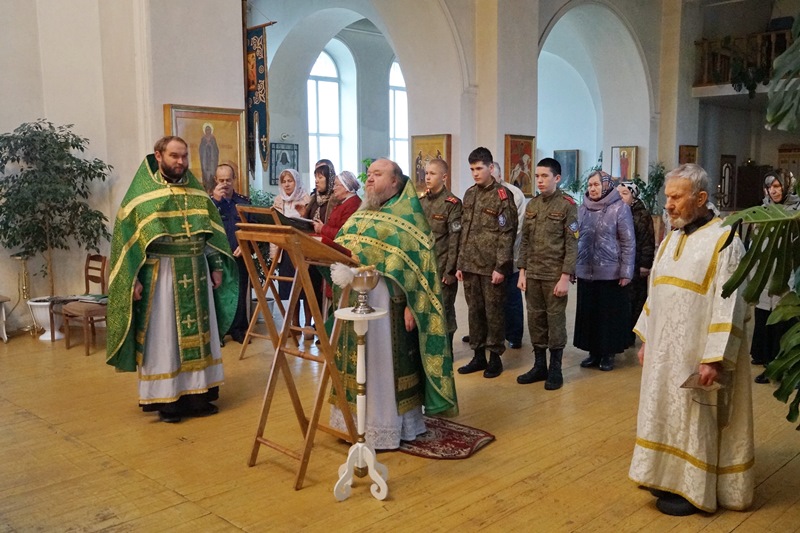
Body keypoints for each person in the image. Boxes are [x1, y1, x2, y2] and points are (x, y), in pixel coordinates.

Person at [630, 163, 754, 516]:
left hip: (696, 355)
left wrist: (714, 358)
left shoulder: (725, 239)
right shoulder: (671, 238)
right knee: (662, 412)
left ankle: (693, 487)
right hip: (664, 352)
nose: (668, 205)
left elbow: (730, 303)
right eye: (666, 197)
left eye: (676, 197)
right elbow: (656, 292)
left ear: (700, 198)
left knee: (695, 418)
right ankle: (663, 475)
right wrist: (648, 339)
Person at [106, 136, 237, 423]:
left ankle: (199, 396)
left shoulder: (197, 193)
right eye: (174, 156)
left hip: (197, 270)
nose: (180, 162)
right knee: (165, 339)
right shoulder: (141, 195)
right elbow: (127, 243)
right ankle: (169, 401)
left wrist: (216, 265)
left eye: (184, 157)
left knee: (202, 337)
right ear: (159, 155)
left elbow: (211, 234)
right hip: (161, 276)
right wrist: (134, 279)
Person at [331, 158, 458, 449]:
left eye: (377, 174)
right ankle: (354, 422)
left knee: (382, 364)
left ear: (395, 182)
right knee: (360, 361)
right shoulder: (362, 214)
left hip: (390, 305)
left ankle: (384, 426)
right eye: (369, 174)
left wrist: (413, 305)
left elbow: (422, 271)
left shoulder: (410, 220)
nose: (370, 179)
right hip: (354, 301)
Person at [516, 158, 578, 390]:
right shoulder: (532, 205)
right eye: (537, 176)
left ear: (557, 178)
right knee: (536, 319)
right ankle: (539, 365)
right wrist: (522, 271)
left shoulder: (567, 205)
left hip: (554, 275)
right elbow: (525, 242)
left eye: (545, 176)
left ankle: (556, 369)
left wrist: (565, 277)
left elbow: (572, 245)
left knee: (555, 321)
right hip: (533, 273)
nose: (540, 181)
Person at [456, 147, 517, 378]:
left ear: (491, 168)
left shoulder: (503, 196)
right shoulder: (470, 194)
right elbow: (465, 231)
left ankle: (495, 358)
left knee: (494, 313)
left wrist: (501, 267)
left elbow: (507, 233)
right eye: (472, 169)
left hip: (492, 267)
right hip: (471, 265)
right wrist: (460, 263)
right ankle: (478, 355)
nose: (475, 173)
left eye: (479, 168)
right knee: (475, 312)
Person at [574, 170, 634, 371]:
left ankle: (608, 354)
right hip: (585, 270)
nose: (592, 188)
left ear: (606, 185)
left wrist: (626, 271)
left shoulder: (620, 208)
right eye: (590, 185)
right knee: (589, 313)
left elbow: (628, 242)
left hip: (611, 272)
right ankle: (593, 352)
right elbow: (574, 239)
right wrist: (573, 267)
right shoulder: (582, 209)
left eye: (596, 185)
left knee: (607, 316)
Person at [750, 168, 799, 383]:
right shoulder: (763, 210)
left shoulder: (796, 210)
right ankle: (770, 365)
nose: (773, 191)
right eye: (770, 187)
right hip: (766, 274)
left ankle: (791, 370)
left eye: (777, 186)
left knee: (787, 321)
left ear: (787, 186)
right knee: (767, 320)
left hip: (789, 274)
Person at [419, 158, 462, 354]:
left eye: (432, 173)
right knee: (424, 310)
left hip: (442, 266)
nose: (428, 177)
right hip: (423, 267)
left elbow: (455, 240)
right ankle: (429, 348)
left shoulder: (452, 204)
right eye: (426, 173)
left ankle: (447, 350)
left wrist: (450, 270)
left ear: (444, 177)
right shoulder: (420, 202)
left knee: (444, 310)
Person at [211, 163, 251, 343]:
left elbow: (252, 229)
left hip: (238, 255)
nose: (225, 184)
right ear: (215, 181)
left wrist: (246, 245)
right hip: (216, 256)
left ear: (234, 180)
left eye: (228, 180)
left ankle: (239, 329)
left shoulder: (243, 203)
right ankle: (217, 332)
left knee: (240, 293)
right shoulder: (208, 204)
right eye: (221, 180)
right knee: (216, 293)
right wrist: (215, 202)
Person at [271, 169, 312, 337]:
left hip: (303, 250)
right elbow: (274, 228)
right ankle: (294, 325)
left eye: (290, 181)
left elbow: (310, 225)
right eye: (284, 181)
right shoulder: (278, 201)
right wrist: (274, 255)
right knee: (290, 289)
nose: (287, 184)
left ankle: (308, 325)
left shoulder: (306, 199)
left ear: (296, 182)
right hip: (285, 250)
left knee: (306, 288)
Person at [617, 181, 655, 347]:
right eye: (618, 193)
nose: (620, 197)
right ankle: (621, 333)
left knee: (635, 300)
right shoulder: (616, 211)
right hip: (620, 264)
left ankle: (631, 334)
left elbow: (647, 240)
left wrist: (645, 264)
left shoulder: (642, 214)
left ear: (633, 195)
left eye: (625, 193)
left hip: (637, 263)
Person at [494, 161, 526, 349]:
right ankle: (490, 332)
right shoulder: (479, 192)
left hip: (510, 256)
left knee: (511, 298)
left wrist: (503, 252)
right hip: (487, 258)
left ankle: (514, 334)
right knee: (489, 299)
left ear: (500, 176)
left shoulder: (514, 194)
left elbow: (518, 228)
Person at [312, 170, 362, 241]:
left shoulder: (353, 204)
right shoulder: (346, 202)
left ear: (346, 187)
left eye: (336, 185)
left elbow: (344, 233)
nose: (333, 188)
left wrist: (322, 228)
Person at [198, 124, 219, 191]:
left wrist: (211, 146)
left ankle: (212, 189)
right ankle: (206, 188)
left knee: (212, 173)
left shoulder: (213, 138)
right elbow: (201, 149)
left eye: (209, 130)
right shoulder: (203, 139)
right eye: (206, 130)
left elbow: (216, 150)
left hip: (212, 160)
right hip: (205, 159)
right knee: (205, 174)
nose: (208, 131)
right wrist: (206, 146)